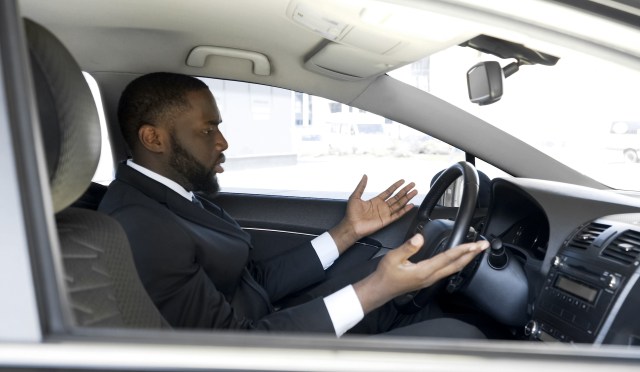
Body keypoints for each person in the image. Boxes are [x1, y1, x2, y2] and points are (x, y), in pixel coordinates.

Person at [98, 72, 489, 337]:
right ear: (154, 138)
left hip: (269, 318)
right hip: (266, 349)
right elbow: (230, 349)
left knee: (437, 314)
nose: (223, 142)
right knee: (463, 339)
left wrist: (347, 231)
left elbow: (254, 281)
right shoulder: (140, 225)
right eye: (207, 130)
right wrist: (375, 289)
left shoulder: (173, 195)